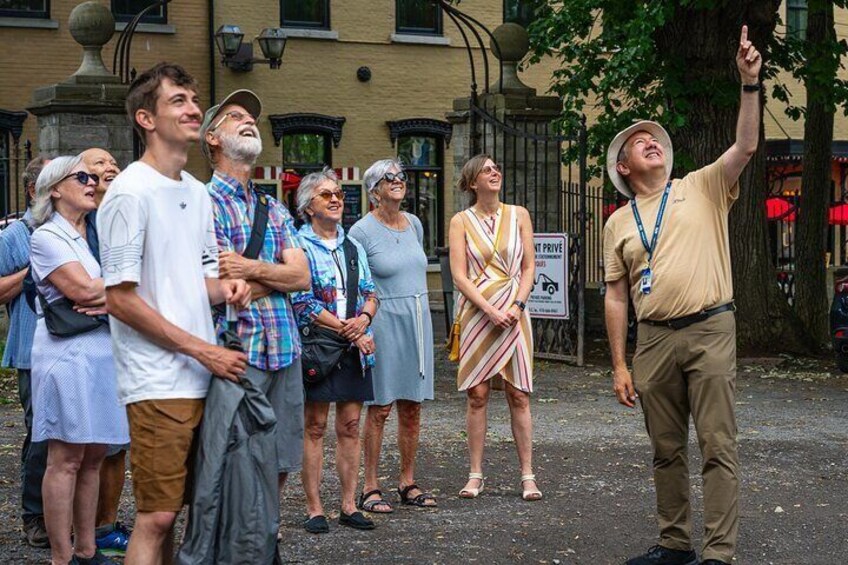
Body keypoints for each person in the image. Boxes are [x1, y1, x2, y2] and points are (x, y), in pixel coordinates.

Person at [602, 27, 761, 565]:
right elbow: (617, 296)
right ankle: (674, 544)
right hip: (653, 341)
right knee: (666, 450)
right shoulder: (619, 221)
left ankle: (718, 554)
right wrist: (620, 364)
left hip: (710, 329)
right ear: (624, 168)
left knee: (719, 446)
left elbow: (745, 145)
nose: (651, 140)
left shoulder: (702, 185)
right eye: (638, 141)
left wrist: (748, 84)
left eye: (655, 137)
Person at [97, 63, 250, 565]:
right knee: (156, 516)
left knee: (186, 513)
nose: (193, 109)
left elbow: (194, 284)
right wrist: (203, 350)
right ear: (145, 117)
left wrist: (226, 289)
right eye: (178, 101)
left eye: (193, 99)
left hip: (201, 376)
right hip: (157, 378)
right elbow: (119, 298)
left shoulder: (197, 192)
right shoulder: (127, 192)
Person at [200, 90, 310, 494]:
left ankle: (265, 535)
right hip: (237, 351)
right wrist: (275, 275)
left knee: (281, 457)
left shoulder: (274, 207)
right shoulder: (201, 205)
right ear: (212, 137)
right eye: (234, 116)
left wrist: (248, 270)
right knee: (234, 457)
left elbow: (302, 277)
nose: (248, 120)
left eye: (252, 117)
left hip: (286, 348)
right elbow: (213, 286)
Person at [29, 155, 130, 565]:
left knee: (93, 457)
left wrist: (111, 293)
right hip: (67, 355)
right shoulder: (45, 237)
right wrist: (122, 291)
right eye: (82, 177)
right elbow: (85, 291)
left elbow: (109, 289)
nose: (92, 183)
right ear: (55, 188)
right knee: (66, 458)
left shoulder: (96, 233)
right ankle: (61, 556)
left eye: (93, 178)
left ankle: (88, 550)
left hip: (104, 352)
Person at [291, 168, 379, 533]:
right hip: (318, 347)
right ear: (308, 207)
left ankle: (348, 504)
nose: (335, 199)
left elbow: (372, 292)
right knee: (314, 426)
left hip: (354, 347)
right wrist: (351, 330)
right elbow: (301, 301)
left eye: (339, 193)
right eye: (326, 194)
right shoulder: (298, 246)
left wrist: (364, 319)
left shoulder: (353, 246)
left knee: (351, 425)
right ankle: (314, 508)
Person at [447, 154, 540, 502]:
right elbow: (459, 274)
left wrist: (515, 306)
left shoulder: (519, 215)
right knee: (478, 395)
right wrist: (488, 309)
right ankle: (475, 475)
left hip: (514, 312)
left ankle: (528, 475)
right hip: (477, 313)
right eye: (486, 170)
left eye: (496, 168)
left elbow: (529, 267)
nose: (495, 172)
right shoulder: (460, 221)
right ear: (472, 182)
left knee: (519, 393)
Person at [350, 159, 436, 513]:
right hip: (383, 321)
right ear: (374, 190)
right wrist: (362, 329)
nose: (398, 181)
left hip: (418, 319)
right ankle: (370, 486)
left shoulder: (414, 223)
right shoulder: (361, 231)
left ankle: (408, 481)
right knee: (381, 406)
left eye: (401, 176)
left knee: (412, 406)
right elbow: (357, 285)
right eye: (389, 177)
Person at [77, 147, 132, 557]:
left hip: (126, 339)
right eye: (99, 164)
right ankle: (78, 528)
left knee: (117, 441)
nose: (110, 167)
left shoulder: (127, 216)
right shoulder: (75, 224)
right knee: (82, 443)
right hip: (84, 342)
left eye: (114, 163)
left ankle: (106, 524)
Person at [0, 155, 50, 548]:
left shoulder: (78, 229)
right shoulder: (13, 237)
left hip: (75, 346)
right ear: (34, 189)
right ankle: (34, 516)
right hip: (31, 350)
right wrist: (33, 268)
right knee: (41, 435)